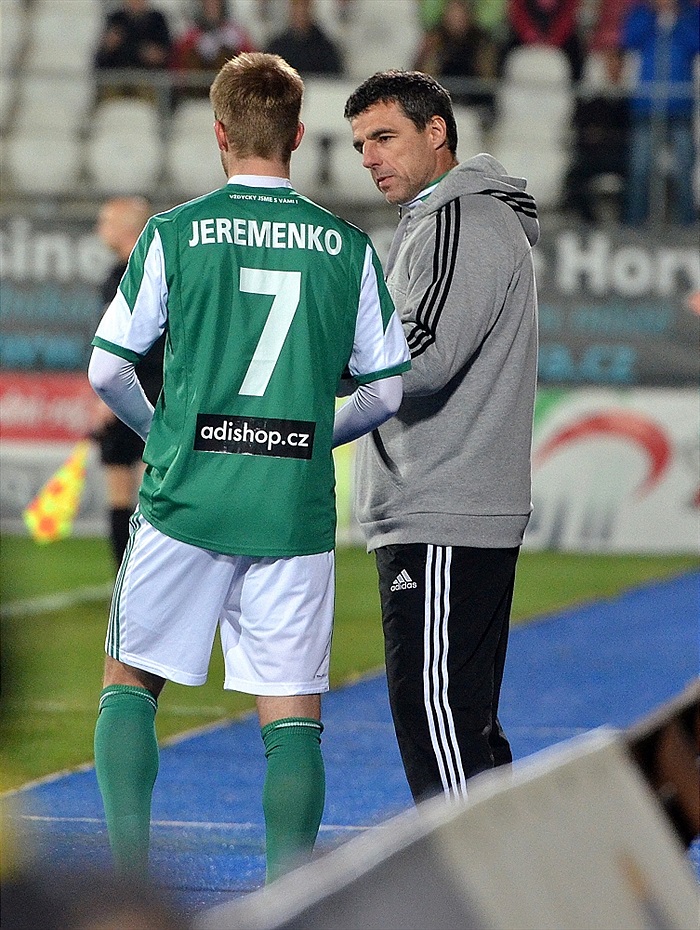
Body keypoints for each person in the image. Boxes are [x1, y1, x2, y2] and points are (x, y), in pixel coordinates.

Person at [87, 52, 410, 883]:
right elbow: (385, 390)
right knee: (292, 714)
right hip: (291, 507)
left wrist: (164, 434)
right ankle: (286, 898)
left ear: (220, 133)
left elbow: (106, 371)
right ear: (300, 135)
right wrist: (309, 435)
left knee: (130, 682)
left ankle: (130, 886)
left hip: (185, 499)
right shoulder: (346, 246)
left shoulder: (175, 233)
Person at [344, 70, 539, 804]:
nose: (369, 156)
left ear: (436, 133)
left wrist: (317, 352)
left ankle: (478, 903)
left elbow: (418, 359)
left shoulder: (461, 220)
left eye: (385, 136)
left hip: (443, 508)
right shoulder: (441, 220)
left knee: (441, 730)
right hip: (448, 507)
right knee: (460, 729)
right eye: (362, 143)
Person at [90, 197, 165, 569]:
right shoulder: (162, 267)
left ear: (127, 227)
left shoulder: (125, 275)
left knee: (122, 486)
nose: (100, 229)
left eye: (106, 221)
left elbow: (117, 348)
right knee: (158, 487)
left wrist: (105, 399)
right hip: (167, 392)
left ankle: (126, 571)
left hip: (130, 389)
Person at [620, 0, 699, 226]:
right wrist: (654, 15)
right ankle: (634, 223)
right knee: (641, 167)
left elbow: (695, 43)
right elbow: (629, 39)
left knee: (684, 168)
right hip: (647, 103)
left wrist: (677, 18)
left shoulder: (690, 15)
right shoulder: (641, 13)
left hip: (679, 104)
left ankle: (686, 224)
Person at [561, 46, 630, 223]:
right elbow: (582, 129)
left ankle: (629, 224)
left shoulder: (629, 101)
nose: (613, 69)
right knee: (574, 178)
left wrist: (604, 136)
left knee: (637, 175)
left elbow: (628, 134)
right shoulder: (595, 99)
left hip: (620, 157)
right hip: (595, 156)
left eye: (617, 65)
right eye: (610, 64)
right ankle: (590, 224)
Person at [413, 0, 499, 124]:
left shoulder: (481, 42)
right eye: (452, 13)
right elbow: (422, 75)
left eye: (460, 14)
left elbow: (488, 80)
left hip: (473, 96)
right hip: (442, 96)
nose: (456, 18)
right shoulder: (435, 41)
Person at [170, 0, 257, 106]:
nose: (212, 8)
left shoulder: (235, 34)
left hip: (228, 94)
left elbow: (251, 60)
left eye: (216, 5)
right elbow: (178, 64)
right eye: (208, 5)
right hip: (196, 93)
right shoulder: (190, 36)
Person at [93, 0, 173, 104]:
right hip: (117, 77)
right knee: (109, 102)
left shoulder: (157, 20)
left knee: (146, 100)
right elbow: (100, 60)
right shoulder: (115, 19)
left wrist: (157, 56)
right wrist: (107, 48)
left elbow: (166, 55)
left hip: (147, 78)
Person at [505, 0, 585, 82]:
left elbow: (569, 14)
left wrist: (554, 39)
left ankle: (577, 85)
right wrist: (529, 35)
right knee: (506, 47)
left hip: (560, 33)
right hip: (526, 31)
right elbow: (518, 12)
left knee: (576, 53)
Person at [265, 0, 343, 76]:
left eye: (304, 7)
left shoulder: (325, 49)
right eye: (296, 8)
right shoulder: (277, 47)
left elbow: (333, 81)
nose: (300, 13)